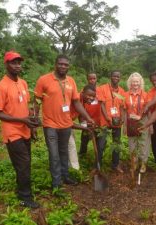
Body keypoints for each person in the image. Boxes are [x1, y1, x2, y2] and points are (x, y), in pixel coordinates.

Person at [34, 55, 94, 191]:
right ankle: (56, 182)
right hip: (50, 124)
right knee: (54, 154)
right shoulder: (44, 80)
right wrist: (34, 117)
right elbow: (37, 100)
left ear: (68, 66)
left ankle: (65, 176)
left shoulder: (71, 81)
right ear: (55, 64)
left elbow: (76, 102)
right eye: (60, 64)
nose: (63, 66)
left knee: (64, 152)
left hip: (66, 124)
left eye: (66, 65)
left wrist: (88, 117)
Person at [0, 51, 40, 208]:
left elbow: (26, 106)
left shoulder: (23, 83)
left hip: (25, 129)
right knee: (24, 163)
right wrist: (21, 120)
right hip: (12, 133)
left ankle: (22, 189)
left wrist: (31, 124)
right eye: (13, 62)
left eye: (19, 62)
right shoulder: (1, 87)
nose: (17, 65)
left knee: (24, 163)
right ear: (6, 64)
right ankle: (25, 197)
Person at [98, 71, 125, 173]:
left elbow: (122, 107)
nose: (116, 78)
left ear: (120, 78)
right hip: (105, 122)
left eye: (118, 76)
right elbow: (102, 105)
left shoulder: (121, 91)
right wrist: (107, 117)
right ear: (110, 77)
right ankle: (98, 165)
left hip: (117, 122)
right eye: (114, 76)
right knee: (101, 144)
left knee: (116, 144)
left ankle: (115, 164)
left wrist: (122, 118)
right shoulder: (102, 88)